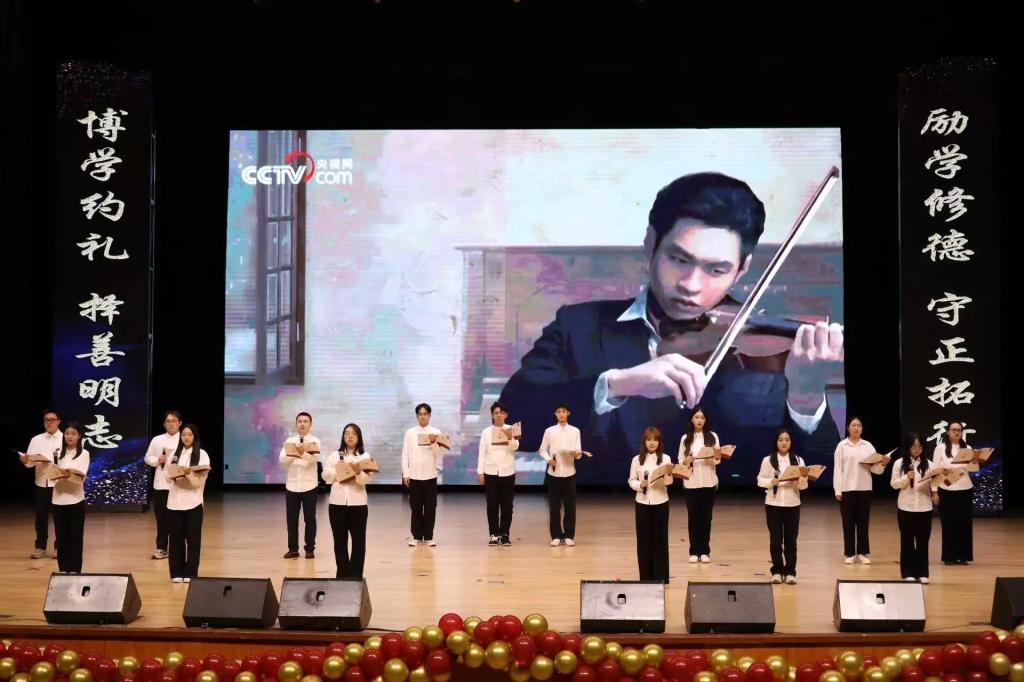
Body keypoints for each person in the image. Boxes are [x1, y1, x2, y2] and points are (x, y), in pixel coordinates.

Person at [500, 172, 842, 483]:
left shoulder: (773, 355)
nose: (691, 285)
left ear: (742, 269)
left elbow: (821, 480)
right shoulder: (578, 326)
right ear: (651, 243)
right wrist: (617, 384)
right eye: (679, 259)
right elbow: (514, 428)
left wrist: (806, 395)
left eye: (717, 270)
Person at [833, 416, 888, 564]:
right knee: (848, 522)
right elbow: (837, 469)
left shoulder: (868, 446)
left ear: (862, 429)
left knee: (863, 522)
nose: (856, 428)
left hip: (864, 488)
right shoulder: (842, 446)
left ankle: (863, 553)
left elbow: (876, 470)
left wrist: (883, 464)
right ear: (848, 428)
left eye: (859, 425)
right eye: (853, 425)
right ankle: (849, 553)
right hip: (846, 488)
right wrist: (838, 490)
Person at [322, 423, 372, 579]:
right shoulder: (334, 456)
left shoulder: (364, 456)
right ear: (343, 436)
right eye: (347, 433)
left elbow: (366, 479)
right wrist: (339, 470)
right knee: (339, 542)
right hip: (337, 504)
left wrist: (357, 473)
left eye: (353, 433)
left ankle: (355, 577)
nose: (350, 436)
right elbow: (325, 475)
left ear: (359, 437)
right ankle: (342, 576)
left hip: (358, 504)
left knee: (358, 542)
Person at [756, 428, 806, 585]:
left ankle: (790, 572)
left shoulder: (798, 460)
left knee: (791, 540)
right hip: (773, 504)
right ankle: (777, 571)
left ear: (791, 442)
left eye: (787, 440)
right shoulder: (768, 460)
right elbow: (760, 480)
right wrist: (771, 482)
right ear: (776, 442)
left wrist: (800, 481)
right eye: (781, 440)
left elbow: (803, 486)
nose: (784, 443)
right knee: (775, 540)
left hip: (792, 504)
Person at [890, 431, 939, 583]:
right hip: (906, 507)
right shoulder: (899, 463)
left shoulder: (929, 464)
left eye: (920, 447)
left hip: (924, 507)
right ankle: (907, 573)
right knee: (907, 542)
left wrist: (935, 492)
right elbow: (894, 484)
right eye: (914, 446)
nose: (917, 449)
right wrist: (906, 477)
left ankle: (923, 573)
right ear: (908, 447)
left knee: (923, 542)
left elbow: (934, 482)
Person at [165, 424, 210, 583]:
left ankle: (191, 573)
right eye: (184, 434)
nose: (186, 437)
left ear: (194, 437)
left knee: (193, 540)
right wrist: (175, 474)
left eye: (189, 435)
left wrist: (189, 474)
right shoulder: (174, 455)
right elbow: (166, 477)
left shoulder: (202, 454)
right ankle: (176, 572)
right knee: (175, 540)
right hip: (174, 502)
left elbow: (200, 481)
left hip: (193, 502)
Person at [628, 426, 673, 582]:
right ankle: (645, 577)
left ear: (659, 442)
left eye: (655, 440)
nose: (652, 443)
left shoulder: (666, 459)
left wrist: (667, 476)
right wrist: (639, 485)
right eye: (649, 440)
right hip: (642, 502)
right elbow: (631, 480)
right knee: (643, 540)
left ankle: (661, 577)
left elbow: (669, 482)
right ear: (644, 442)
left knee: (660, 539)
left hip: (661, 501)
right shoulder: (636, 460)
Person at [677, 407, 720, 563]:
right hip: (692, 483)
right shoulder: (685, 438)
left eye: (702, 417)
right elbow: (680, 459)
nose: (699, 420)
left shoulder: (712, 436)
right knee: (693, 518)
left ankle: (705, 551)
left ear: (705, 420)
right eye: (696, 417)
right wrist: (686, 461)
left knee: (706, 518)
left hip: (709, 482)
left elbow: (717, 461)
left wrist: (716, 456)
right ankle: (694, 551)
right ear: (692, 419)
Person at [932, 421, 978, 565]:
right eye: (954, 430)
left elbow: (972, 470)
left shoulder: (967, 448)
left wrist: (975, 461)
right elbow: (935, 470)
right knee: (948, 523)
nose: (957, 432)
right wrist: (934, 491)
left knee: (964, 523)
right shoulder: (940, 448)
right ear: (948, 432)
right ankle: (949, 556)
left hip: (965, 489)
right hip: (947, 489)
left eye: (959, 430)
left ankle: (962, 556)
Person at [538, 403, 583, 546]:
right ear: (555, 414)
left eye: (564, 411)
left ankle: (569, 535)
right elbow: (542, 449)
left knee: (570, 506)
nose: (561, 414)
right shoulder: (549, 431)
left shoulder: (575, 431)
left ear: (568, 413)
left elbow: (579, 451)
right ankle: (556, 535)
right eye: (559, 412)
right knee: (554, 506)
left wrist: (576, 454)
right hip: (554, 473)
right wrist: (548, 460)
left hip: (569, 472)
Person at [20, 408, 63, 559]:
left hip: (58, 484)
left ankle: (59, 547)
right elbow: (30, 463)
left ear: (58, 421)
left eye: (52, 420)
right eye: (47, 420)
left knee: (59, 517)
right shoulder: (36, 439)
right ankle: (40, 547)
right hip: (41, 483)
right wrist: (26, 460)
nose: (49, 422)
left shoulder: (65, 438)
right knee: (41, 516)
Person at [279, 411, 321, 559]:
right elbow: (282, 460)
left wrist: (302, 453)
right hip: (292, 485)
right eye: (300, 421)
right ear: (296, 424)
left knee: (310, 519)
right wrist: (294, 452)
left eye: (305, 421)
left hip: (309, 485)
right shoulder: (290, 441)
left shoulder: (315, 441)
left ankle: (309, 549)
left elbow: (314, 459)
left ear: (310, 424)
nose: (302, 424)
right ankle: (293, 549)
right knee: (291, 519)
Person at [50, 422, 90, 575]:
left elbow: (81, 476)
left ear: (79, 436)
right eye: (67, 433)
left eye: (73, 433)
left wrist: (68, 474)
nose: (69, 436)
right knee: (61, 537)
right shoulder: (57, 452)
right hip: (58, 499)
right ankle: (63, 569)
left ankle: (74, 570)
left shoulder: (84, 453)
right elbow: (52, 474)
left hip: (75, 499)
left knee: (75, 537)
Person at [478, 402, 520, 546]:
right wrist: (480, 471)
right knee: (492, 506)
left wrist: (510, 437)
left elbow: (515, 447)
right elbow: (482, 453)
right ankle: (494, 535)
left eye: (502, 413)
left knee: (507, 506)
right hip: (490, 472)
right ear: (492, 415)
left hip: (508, 472)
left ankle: (505, 534)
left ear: (506, 415)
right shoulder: (486, 432)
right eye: (496, 413)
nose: (499, 415)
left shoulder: (512, 429)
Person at [143, 410, 182, 560]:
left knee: (177, 519)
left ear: (180, 423)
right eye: (168, 421)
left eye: (174, 421)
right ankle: (161, 548)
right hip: (161, 485)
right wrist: (157, 460)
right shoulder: (157, 440)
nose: (171, 424)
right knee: (162, 519)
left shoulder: (184, 438)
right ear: (164, 424)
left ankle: (177, 548)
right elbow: (147, 457)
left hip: (178, 485)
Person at [400, 403, 441, 547]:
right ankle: (417, 536)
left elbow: (438, 454)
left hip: (430, 476)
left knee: (430, 508)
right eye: (420, 414)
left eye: (425, 414)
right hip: (414, 476)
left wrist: (433, 442)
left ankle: (429, 536)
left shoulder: (436, 432)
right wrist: (406, 473)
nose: (423, 417)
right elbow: (405, 454)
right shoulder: (410, 432)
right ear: (417, 416)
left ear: (429, 415)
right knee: (416, 508)